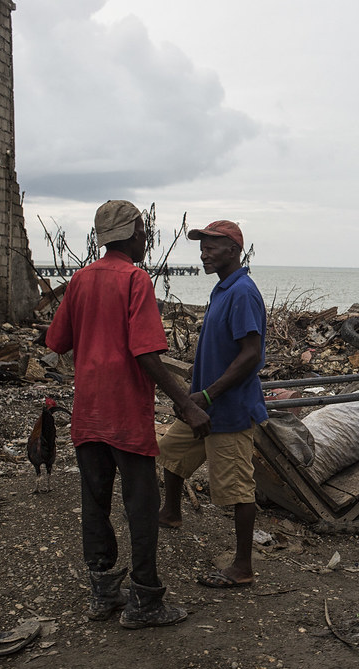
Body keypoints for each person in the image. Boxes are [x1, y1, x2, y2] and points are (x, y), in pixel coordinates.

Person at [44, 200, 210, 628]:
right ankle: (145, 601)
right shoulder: (136, 279)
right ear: (132, 233)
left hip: (88, 413)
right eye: (143, 230)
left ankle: (103, 593)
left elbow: (56, 341)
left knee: (95, 501)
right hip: (124, 413)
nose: (146, 238)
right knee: (141, 503)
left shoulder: (80, 279)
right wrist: (186, 401)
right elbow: (147, 353)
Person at [157, 220, 267, 589]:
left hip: (229, 409)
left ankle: (242, 566)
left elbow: (251, 354)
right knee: (171, 451)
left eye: (211, 247)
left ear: (234, 250)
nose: (203, 253)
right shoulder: (223, 289)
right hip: (202, 404)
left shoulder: (242, 292)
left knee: (236, 489)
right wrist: (196, 397)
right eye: (201, 247)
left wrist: (208, 394)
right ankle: (171, 512)